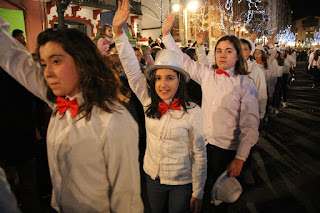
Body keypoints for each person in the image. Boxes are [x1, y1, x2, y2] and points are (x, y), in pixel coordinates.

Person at [0, 17, 143, 213]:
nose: (47, 72)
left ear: (82, 61)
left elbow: (126, 198)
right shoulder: (60, 102)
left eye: (56, 61)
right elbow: (15, 60)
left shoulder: (112, 119)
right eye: (43, 64)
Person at [113, 1, 207, 212]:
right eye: (158, 78)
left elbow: (199, 153)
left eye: (170, 78)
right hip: (152, 178)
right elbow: (131, 68)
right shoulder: (148, 100)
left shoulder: (193, 111)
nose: (163, 84)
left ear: (179, 81)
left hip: (181, 182)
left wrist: (198, 191)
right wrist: (119, 32)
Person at [161, 12, 259, 212]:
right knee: (199, 195)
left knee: (221, 199)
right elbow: (184, 61)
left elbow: (250, 125)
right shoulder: (208, 75)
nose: (222, 55)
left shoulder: (245, 84)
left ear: (238, 55)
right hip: (202, 145)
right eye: (219, 50)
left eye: (228, 51)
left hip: (226, 150)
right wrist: (165, 35)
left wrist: (240, 158)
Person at [240, 38, 268, 126]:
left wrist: (260, 114)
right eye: (239, 49)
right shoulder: (229, 68)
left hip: (248, 114)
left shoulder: (256, 70)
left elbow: (262, 93)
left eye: (245, 49)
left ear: (250, 51)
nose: (241, 52)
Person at [253, 45, 277, 115]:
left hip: (263, 91)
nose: (257, 55)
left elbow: (270, 81)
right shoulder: (251, 65)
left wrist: (270, 93)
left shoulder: (266, 67)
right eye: (255, 53)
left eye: (259, 53)